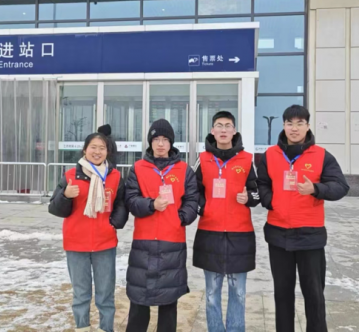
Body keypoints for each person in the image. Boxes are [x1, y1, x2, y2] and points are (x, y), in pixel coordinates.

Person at [257, 105, 350, 332]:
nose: (294, 128)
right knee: (282, 295)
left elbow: (340, 186)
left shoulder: (322, 155)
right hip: (278, 235)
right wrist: (271, 201)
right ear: (283, 126)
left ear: (308, 126)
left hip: (310, 236)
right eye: (290, 123)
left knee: (314, 295)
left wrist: (316, 189)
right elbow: (262, 184)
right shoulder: (270, 155)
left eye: (300, 123)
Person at [49, 131, 128, 332]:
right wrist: (65, 195)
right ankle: (82, 327)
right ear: (85, 150)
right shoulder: (70, 176)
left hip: (105, 243)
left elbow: (121, 203)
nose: (97, 151)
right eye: (93, 147)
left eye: (102, 148)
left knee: (105, 295)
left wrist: (115, 222)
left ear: (107, 152)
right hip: (76, 244)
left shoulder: (114, 176)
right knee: (81, 295)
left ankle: (106, 328)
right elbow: (55, 208)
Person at [124, 119, 198, 332]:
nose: (160, 144)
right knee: (139, 300)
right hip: (143, 242)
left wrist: (180, 218)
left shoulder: (184, 170)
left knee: (169, 302)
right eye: (156, 139)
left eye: (165, 139)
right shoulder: (138, 168)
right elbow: (130, 200)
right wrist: (151, 205)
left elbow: (192, 200)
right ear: (150, 142)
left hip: (172, 241)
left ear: (171, 143)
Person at [193, 111, 260, 332]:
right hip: (209, 232)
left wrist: (249, 198)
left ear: (234, 131)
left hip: (240, 234)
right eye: (219, 126)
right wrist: (203, 207)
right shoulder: (202, 159)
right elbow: (193, 191)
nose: (223, 130)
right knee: (212, 294)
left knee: (238, 293)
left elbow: (257, 191)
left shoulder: (247, 159)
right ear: (212, 130)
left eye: (228, 125)